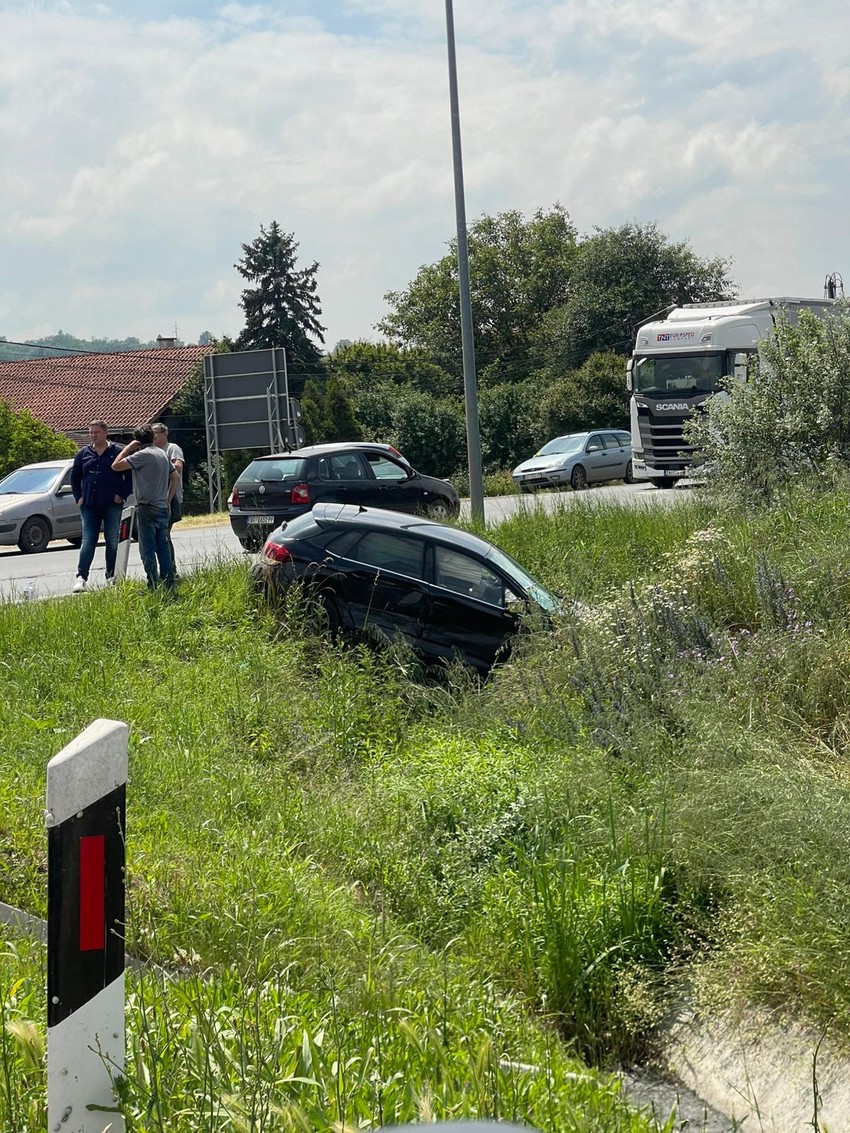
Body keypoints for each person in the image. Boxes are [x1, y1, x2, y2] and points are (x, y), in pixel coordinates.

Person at [112, 424, 179, 590]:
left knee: (147, 548)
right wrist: (168, 499)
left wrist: (128, 448)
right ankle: (169, 581)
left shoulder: (142, 455)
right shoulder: (162, 454)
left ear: (138, 441)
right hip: (162, 505)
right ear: (153, 437)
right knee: (162, 545)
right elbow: (176, 477)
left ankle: (152, 583)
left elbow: (115, 466)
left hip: (147, 507)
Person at [70, 420, 132, 592]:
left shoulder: (117, 452)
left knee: (112, 539)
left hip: (112, 503)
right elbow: (75, 477)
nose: (93, 435)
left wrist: (121, 495)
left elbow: (130, 476)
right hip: (89, 504)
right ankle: (81, 577)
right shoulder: (83, 453)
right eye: (90, 432)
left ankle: (111, 575)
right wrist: (79, 497)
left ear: (105, 433)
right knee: (88, 540)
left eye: (96, 432)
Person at [151, 422, 184, 574]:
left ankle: (170, 569)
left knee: (164, 534)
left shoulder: (172, 448)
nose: (153, 435)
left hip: (171, 498)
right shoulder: (150, 450)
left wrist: (158, 465)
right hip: (154, 498)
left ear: (165, 434)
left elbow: (177, 466)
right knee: (159, 536)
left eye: (156, 432)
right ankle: (166, 568)